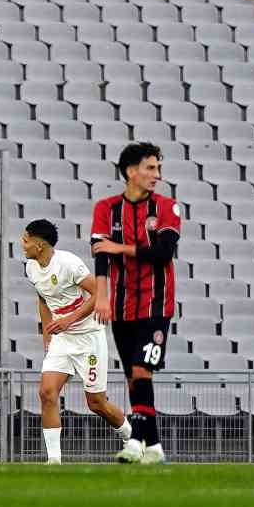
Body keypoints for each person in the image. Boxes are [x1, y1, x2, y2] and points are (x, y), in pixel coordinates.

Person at [90, 142, 183, 465]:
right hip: (122, 305)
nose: (157, 174)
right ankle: (154, 447)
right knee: (133, 375)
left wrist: (120, 248)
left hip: (157, 306)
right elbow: (101, 255)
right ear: (131, 171)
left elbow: (163, 253)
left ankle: (135, 441)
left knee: (143, 370)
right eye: (150, 168)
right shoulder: (105, 208)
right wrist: (101, 296)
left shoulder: (167, 207)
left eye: (158, 168)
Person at [21, 219, 136, 464]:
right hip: (62, 339)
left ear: (40, 245)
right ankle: (54, 461)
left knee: (96, 403)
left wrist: (69, 319)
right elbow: (43, 300)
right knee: (47, 392)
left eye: (26, 239)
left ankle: (131, 437)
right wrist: (47, 337)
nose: (22, 244)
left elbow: (99, 294)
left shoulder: (69, 264)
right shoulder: (31, 268)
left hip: (88, 338)